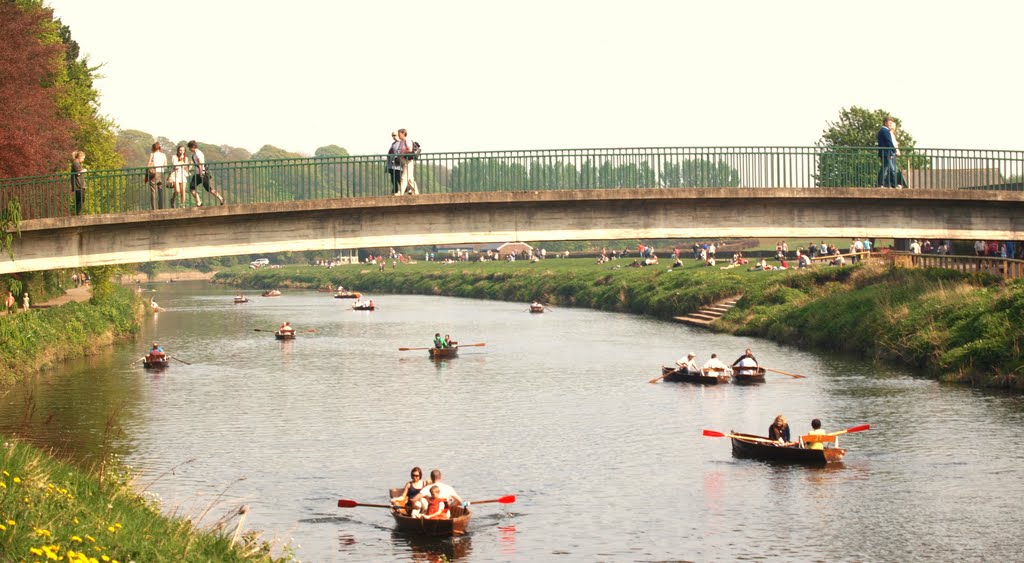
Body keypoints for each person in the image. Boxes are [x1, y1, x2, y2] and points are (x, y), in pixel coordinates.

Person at [187, 140, 225, 206]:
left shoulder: (198, 154)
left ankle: (220, 198)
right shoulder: (194, 154)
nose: (189, 149)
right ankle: (199, 201)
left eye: (190, 147)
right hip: (197, 173)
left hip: (202, 173)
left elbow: (200, 164)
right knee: (192, 187)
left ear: (193, 146)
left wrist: (201, 173)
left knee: (208, 188)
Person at [876, 116, 900, 188]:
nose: (890, 124)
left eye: (891, 123)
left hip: (885, 153)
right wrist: (894, 150)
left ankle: (882, 184)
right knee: (889, 169)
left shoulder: (882, 130)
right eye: (889, 123)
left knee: (886, 168)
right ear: (885, 123)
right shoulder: (885, 131)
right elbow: (888, 142)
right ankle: (889, 184)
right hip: (887, 153)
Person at [397, 129, 419, 195]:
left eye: (399, 134)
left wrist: (402, 153)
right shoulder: (401, 141)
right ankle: (415, 193)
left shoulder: (407, 140)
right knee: (410, 179)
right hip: (405, 161)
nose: (398, 135)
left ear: (403, 133)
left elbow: (409, 149)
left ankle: (400, 193)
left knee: (404, 177)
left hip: (408, 161)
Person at [147, 142, 168, 209]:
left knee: (153, 191)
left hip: (154, 173)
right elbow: (165, 165)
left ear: (153, 148)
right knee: (160, 190)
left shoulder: (152, 154)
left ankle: (154, 208)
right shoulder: (163, 155)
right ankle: (160, 207)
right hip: (161, 173)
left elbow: (148, 165)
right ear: (159, 148)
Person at [70, 150, 87, 215]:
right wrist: (84, 170)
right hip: (78, 185)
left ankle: (78, 214)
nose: (83, 160)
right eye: (83, 158)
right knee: (81, 199)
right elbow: (78, 173)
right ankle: (78, 214)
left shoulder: (76, 163)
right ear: (79, 157)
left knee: (79, 200)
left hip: (78, 185)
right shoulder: (75, 163)